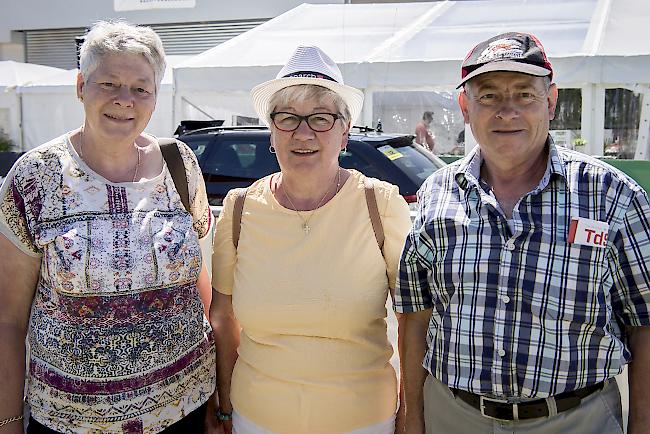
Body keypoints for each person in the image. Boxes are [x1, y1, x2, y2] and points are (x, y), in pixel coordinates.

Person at [394, 32, 650, 434]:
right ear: (465, 106)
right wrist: (410, 418)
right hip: (455, 417)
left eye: (525, 95)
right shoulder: (436, 194)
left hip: (578, 420)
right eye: (489, 95)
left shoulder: (612, 196)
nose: (507, 111)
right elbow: (415, 314)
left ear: (551, 102)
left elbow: (645, 322)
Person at [0, 21, 215, 433]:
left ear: (155, 96)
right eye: (109, 83)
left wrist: (219, 396)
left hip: (185, 407)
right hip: (70, 422)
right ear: (81, 86)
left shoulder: (181, 165)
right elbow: (8, 319)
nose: (124, 100)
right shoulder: (34, 176)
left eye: (140, 88)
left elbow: (198, 283)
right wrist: (8, 420)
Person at [208, 45, 411, 434]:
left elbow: (412, 319)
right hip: (256, 419)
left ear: (345, 130)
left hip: (363, 421)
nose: (303, 133)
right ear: (271, 130)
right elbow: (222, 317)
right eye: (288, 118)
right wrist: (223, 406)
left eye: (321, 118)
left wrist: (410, 412)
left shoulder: (380, 203)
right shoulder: (239, 208)